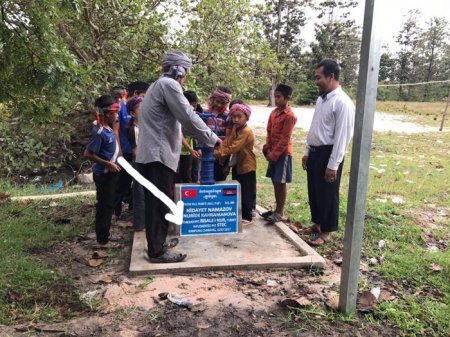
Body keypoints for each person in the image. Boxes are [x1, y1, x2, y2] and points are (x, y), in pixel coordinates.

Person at [136, 50, 220, 263]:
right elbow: (188, 117)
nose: (186, 78)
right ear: (179, 70)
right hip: (158, 155)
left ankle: (158, 242)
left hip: (151, 154)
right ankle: (157, 251)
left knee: (156, 202)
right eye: (186, 72)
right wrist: (213, 139)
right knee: (159, 203)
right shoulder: (170, 86)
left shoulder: (156, 86)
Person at [301, 59, 355, 246]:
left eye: (319, 77)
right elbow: (315, 127)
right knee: (315, 191)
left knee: (328, 192)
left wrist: (333, 165)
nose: (316, 81)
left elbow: (342, 137)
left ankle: (326, 231)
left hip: (329, 153)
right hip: (316, 152)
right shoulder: (321, 99)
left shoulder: (342, 103)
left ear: (331, 77)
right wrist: (308, 150)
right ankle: (318, 223)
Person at [84, 95, 121, 248]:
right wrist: (108, 164)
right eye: (115, 113)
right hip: (104, 174)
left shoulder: (108, 129)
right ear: (107, 114)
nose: (117, 115)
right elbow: (88, 154)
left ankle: (104, 235)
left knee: (109, 204)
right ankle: (102, 241)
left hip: (111, 173)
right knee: (104, 206)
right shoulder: (99, 132)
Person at [214, 103, 256, 225]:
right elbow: (227, 143)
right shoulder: (235, 129)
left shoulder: (246, 131)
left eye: (239, 116)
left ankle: (248, 218)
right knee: (238, 190)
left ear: (246, 117)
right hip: (238, 164)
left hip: (247, 166)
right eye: (234, 117)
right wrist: (219, 149)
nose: (236, 119)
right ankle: (241, 213)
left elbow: (233, 147)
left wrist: (217, 153)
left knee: (247, 191)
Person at [262, 84, 297, 223]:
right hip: (272, 153)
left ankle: (280, 212)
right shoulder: (274, 113)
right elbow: (269, 132)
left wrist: (274, 155)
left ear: (288, 98)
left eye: (279, 97)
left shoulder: (290, 116)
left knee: (280, 182)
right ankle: (277, 210)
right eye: (275, 96)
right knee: (274, 181)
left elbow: (285, 139)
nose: (276, 99)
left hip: (283, 155)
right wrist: (267, 148)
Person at [112, 85, 133, 217]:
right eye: (117, 97)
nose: (120, 99)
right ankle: (117, 209)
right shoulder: (116, 109)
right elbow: (115, 130)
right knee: (121, 180)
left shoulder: (129, 108)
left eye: (122, 96)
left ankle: (131, 206)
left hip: (132, 149)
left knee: (131, 179)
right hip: (122, 150)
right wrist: (119, 151)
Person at [204, 86, 233, 181]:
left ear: (227, 102)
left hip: (221, 153)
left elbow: (228, 137)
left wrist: (223, 156)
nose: (219, 105)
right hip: (206, 151)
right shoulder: (205, 113)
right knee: (206, 177)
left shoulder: (228, 116)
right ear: (213, 99)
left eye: (223, 103)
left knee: (219, 178)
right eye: (217, 101)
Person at [127, 97, 145, 231]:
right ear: (133, 113)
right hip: (140, 164)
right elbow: (135, 151)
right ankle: (139, 225)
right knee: (139, 194)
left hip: (144, 162)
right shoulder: (135, 129)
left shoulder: (144, 126)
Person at [177, 91, 203, 183]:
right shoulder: (177, 116)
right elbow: (179, 134)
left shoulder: (197, 114)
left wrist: (198, 148)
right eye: (190, 106)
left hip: (189, 152)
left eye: (195, 106)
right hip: (177, 152)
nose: (193, 108)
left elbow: (199, 132)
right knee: (177, 177)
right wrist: (190, 150)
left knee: (190, 176)